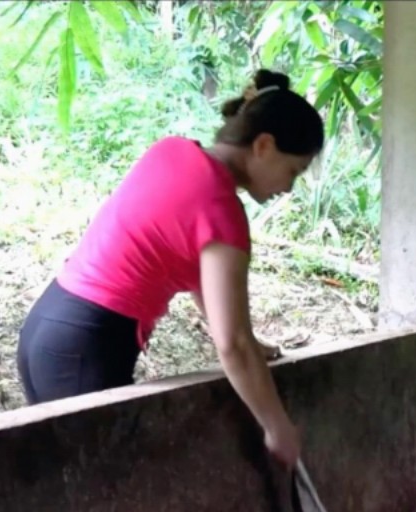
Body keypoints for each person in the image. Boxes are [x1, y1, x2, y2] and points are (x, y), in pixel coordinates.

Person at [16, 69, 320, 467]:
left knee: (73, 488)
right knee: (107, 500)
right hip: (87, 348)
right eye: (293, 171)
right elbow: (233, 344)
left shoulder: (173, 151)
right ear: (264, 145)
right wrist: (277, 427)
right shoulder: (222, 212)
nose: (288, 187)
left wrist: (252, 344)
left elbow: (200, 280)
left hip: (48, 329)